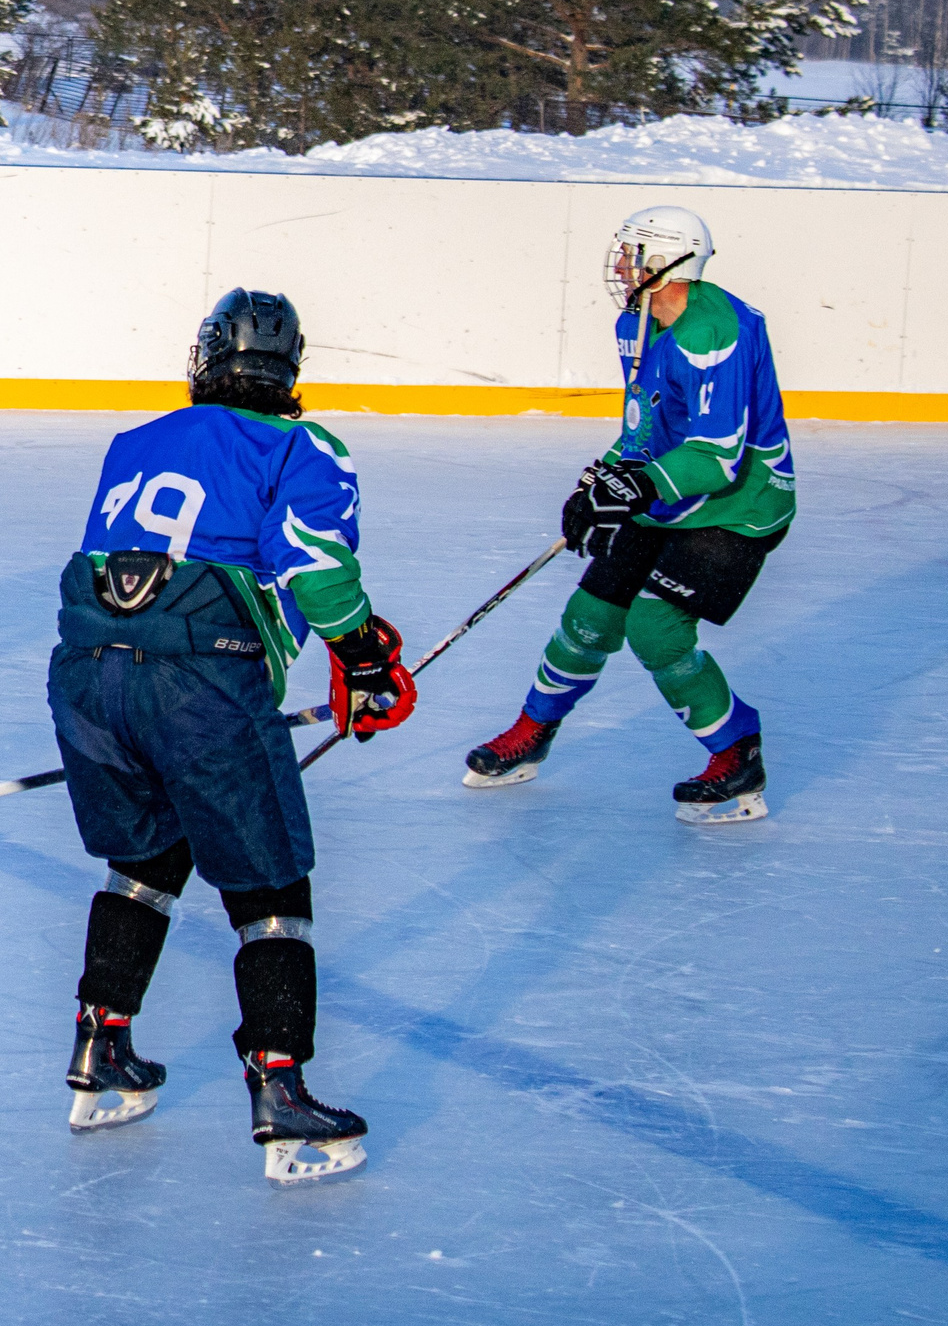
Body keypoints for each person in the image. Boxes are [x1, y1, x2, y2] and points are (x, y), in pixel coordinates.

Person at [47, 289, 413, 1186]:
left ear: (204, 359)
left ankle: (104, 1049)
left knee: (147, 853)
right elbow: (317, 571)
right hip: (202, 677)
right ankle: (283, 1095)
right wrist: (365, 654)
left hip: (88, 672)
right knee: (270, 879)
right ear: (288, 372)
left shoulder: (134, 442)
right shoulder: (302, 444)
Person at [465, 206, 793, 825]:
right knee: (589, 615)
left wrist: (635, 486)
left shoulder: (714, 333)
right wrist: (598, 482)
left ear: (667, 261)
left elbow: (718, 457)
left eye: (631, 253)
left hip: (740, 505)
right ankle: (533, 730)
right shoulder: (636, 322)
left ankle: (736, 754)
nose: (619, 265)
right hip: (666, 494)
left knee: (655, 627)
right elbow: (644, 426)